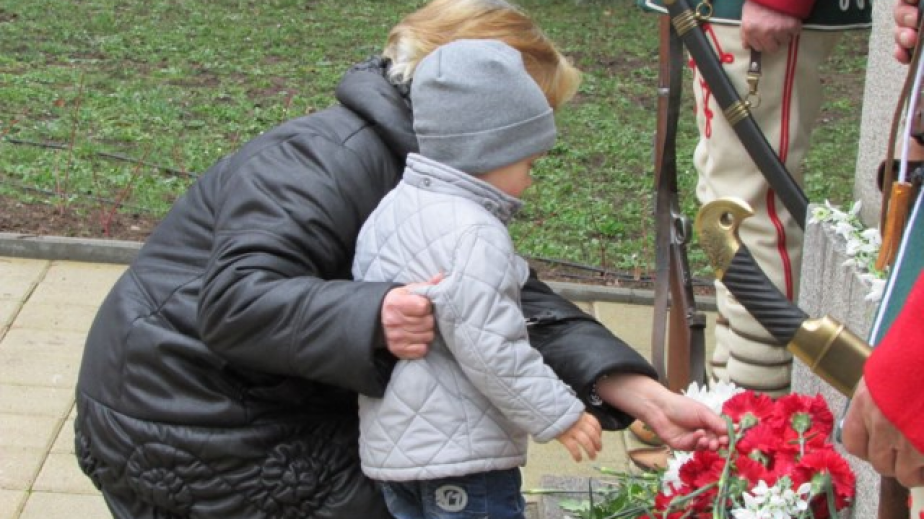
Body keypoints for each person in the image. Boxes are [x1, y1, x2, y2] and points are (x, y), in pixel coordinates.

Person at [72, 1, 728, 518]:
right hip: (184, 416)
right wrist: (374, 314)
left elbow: (488, 297)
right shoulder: (323, 158)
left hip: (252, 398)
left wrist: (630, 388)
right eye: (525, 124)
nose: (529, 161)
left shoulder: (429, 173)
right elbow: (236, 301)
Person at [352, 39, 603, 519]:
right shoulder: (474, 232)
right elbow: (493, 347)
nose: (530, 181)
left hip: (396, 451)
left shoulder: (392, 208)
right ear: (490, 150)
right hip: (463, 455)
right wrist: (560, 415)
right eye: (528, 164)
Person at [637, 0, 871, 395]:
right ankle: (730, 392)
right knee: (724, 203)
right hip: (720, 12)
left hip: (755, 14)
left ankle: (758, 404)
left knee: (753, 211)